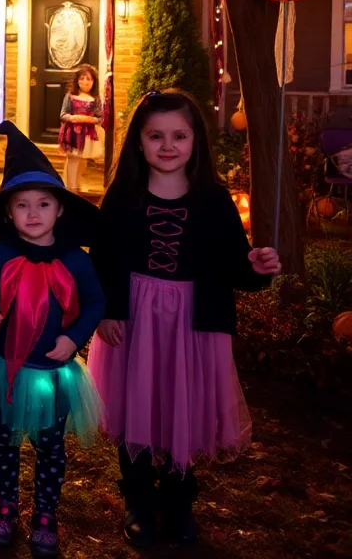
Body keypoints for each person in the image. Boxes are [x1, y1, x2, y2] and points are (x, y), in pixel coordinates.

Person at [88, 90, 281, 547]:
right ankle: (138, 501)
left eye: (179, 135)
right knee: (135, 404)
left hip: (192, 325)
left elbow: (235, 269)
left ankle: (177, 504)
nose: (167, 145)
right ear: (138, 141)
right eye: (156, 136)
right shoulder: (122, 197)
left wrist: (256, 266)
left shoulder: (214, 201)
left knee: (180, 407)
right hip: (134, 321)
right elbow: (102, 261)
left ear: (196, 141)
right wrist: (108, 310)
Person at [0, 120, 105, 557]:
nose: (34, 213)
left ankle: (46, 513)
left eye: (44, 204)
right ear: (8, 213)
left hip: (54, 370)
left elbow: (96, 302)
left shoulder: (75, 260)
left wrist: (75, 337)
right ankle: (5, 505)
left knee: (50, 446)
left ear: (61, 210)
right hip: (3, 366)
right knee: (3, 441)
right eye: (23, 205)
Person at [58, 64, 103, 192]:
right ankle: (71, 188)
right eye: (82, 78)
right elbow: (63, 115)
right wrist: (74, 118)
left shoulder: (95, 99)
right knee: (73, 158)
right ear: (77, 81)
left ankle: (78, 183)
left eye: (89, 79)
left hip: (87, 133)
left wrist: (91, 120)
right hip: (73, 133)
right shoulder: (71, 96)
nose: (85, 82)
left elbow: (100, 117)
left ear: (94, 82)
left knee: (82, 160)